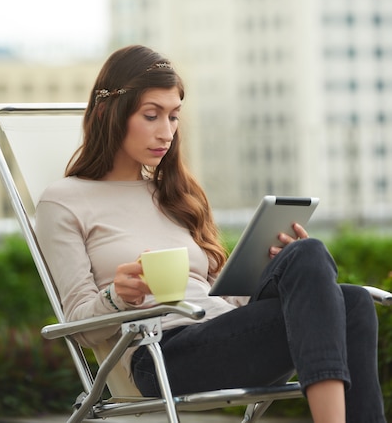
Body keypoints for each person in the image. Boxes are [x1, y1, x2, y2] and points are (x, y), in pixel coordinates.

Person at [35, 44, 386, 423]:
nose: (166, 132)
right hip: (162, 355)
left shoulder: (175, 194)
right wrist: (117, 298)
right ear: (107, 113)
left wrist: (269, 267)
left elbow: (226, 301)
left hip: (225, 336)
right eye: (151, 115)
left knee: (330, 278)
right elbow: (77, 324)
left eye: (173, 117)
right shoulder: (64, 200)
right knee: (342, 294)